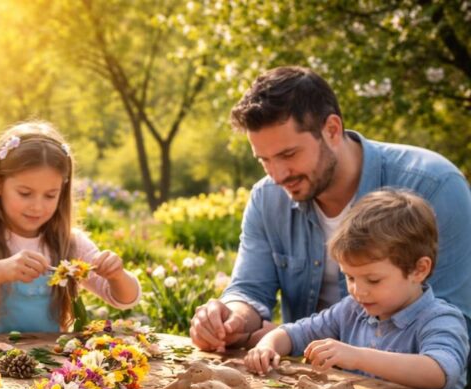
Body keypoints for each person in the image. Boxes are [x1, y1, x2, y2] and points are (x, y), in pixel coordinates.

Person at [190, 66, 471, 353]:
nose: (277, 175)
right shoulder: (267, 198)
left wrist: (296, 339)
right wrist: (233, 319)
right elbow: (250, 291)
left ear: (332, 130)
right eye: (264, 160)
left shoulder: (434, 186)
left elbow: (454, 333)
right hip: (305, 385)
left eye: (288, 154)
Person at [244, 190, 468, 389]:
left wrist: (358, 356)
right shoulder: (352, 310)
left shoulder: (440, 318)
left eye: (373, 280)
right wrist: (267, 347)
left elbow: (438, 371)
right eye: (350, 277)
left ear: (419, 270)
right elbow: (295, 334)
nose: (358, 290)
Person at [0, 122, 139, 335]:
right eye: (25, 193)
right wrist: (2, 270)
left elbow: (125, 300)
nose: (37, 206)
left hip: (49, 363)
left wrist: (117, 276)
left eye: (50, 195)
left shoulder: (69, 242)